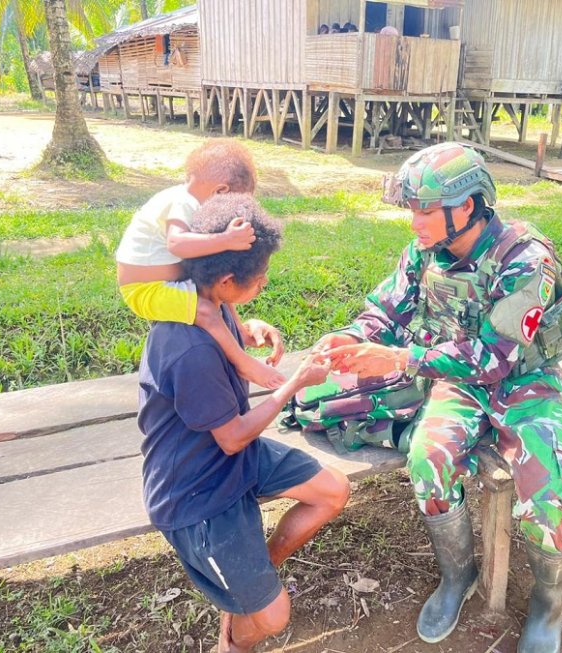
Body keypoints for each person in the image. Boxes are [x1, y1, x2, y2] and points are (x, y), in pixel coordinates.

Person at [316, 142, 562, 652]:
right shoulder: (425, 253)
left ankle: (549, 606)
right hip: (457, 381)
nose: (414, 221)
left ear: (467, 206)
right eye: (411, 209)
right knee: (428, 457)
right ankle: (457, 577)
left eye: (424, 210)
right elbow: (387, 309)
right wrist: (353, 337)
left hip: (525, 384)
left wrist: (401, 360)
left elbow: (495, 359)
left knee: (549, 496)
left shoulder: (525, 259)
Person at [138, 193, 350, 653]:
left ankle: (254, 574)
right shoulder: (187, 348)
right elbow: (233, 437)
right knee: (273, 617)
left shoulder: (208, 300)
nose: (264, 284)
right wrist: (293, 383)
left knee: (333, 491)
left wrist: (253, 325)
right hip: (195, 494)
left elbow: (232, 340)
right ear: (229, 279)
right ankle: (233, 643)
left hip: (229, 456)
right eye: (259, 282)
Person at [116, 141, 285, 390]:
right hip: (145, 290)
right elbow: (176, 243)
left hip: (169, 281)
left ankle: (240, 333)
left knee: (213, 283)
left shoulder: (187, 201)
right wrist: (225, 239)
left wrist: (240, 327)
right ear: (220, 191)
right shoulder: (182, 201)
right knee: (205, 311)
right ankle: (244, 364)